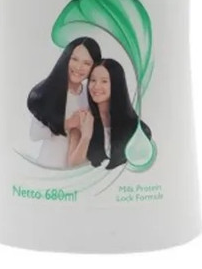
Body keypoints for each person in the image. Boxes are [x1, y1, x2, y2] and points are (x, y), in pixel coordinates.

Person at [27, 37, 101, 169]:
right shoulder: (50, 91)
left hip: (79, 168)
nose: (79, 67)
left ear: (93, 67)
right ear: (66, 58)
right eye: (74, 59)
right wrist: (67, 123)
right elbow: (34, 134)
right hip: (50, 166)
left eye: (86, 63)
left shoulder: (91, 94)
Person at [68, 58, 152, 170]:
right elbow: (73, 165)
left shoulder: (138, 129)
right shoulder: (81, 118)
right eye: (93, 80)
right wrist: (86, 137)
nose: (96, 86)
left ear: (116, 84)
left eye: (104, 81)